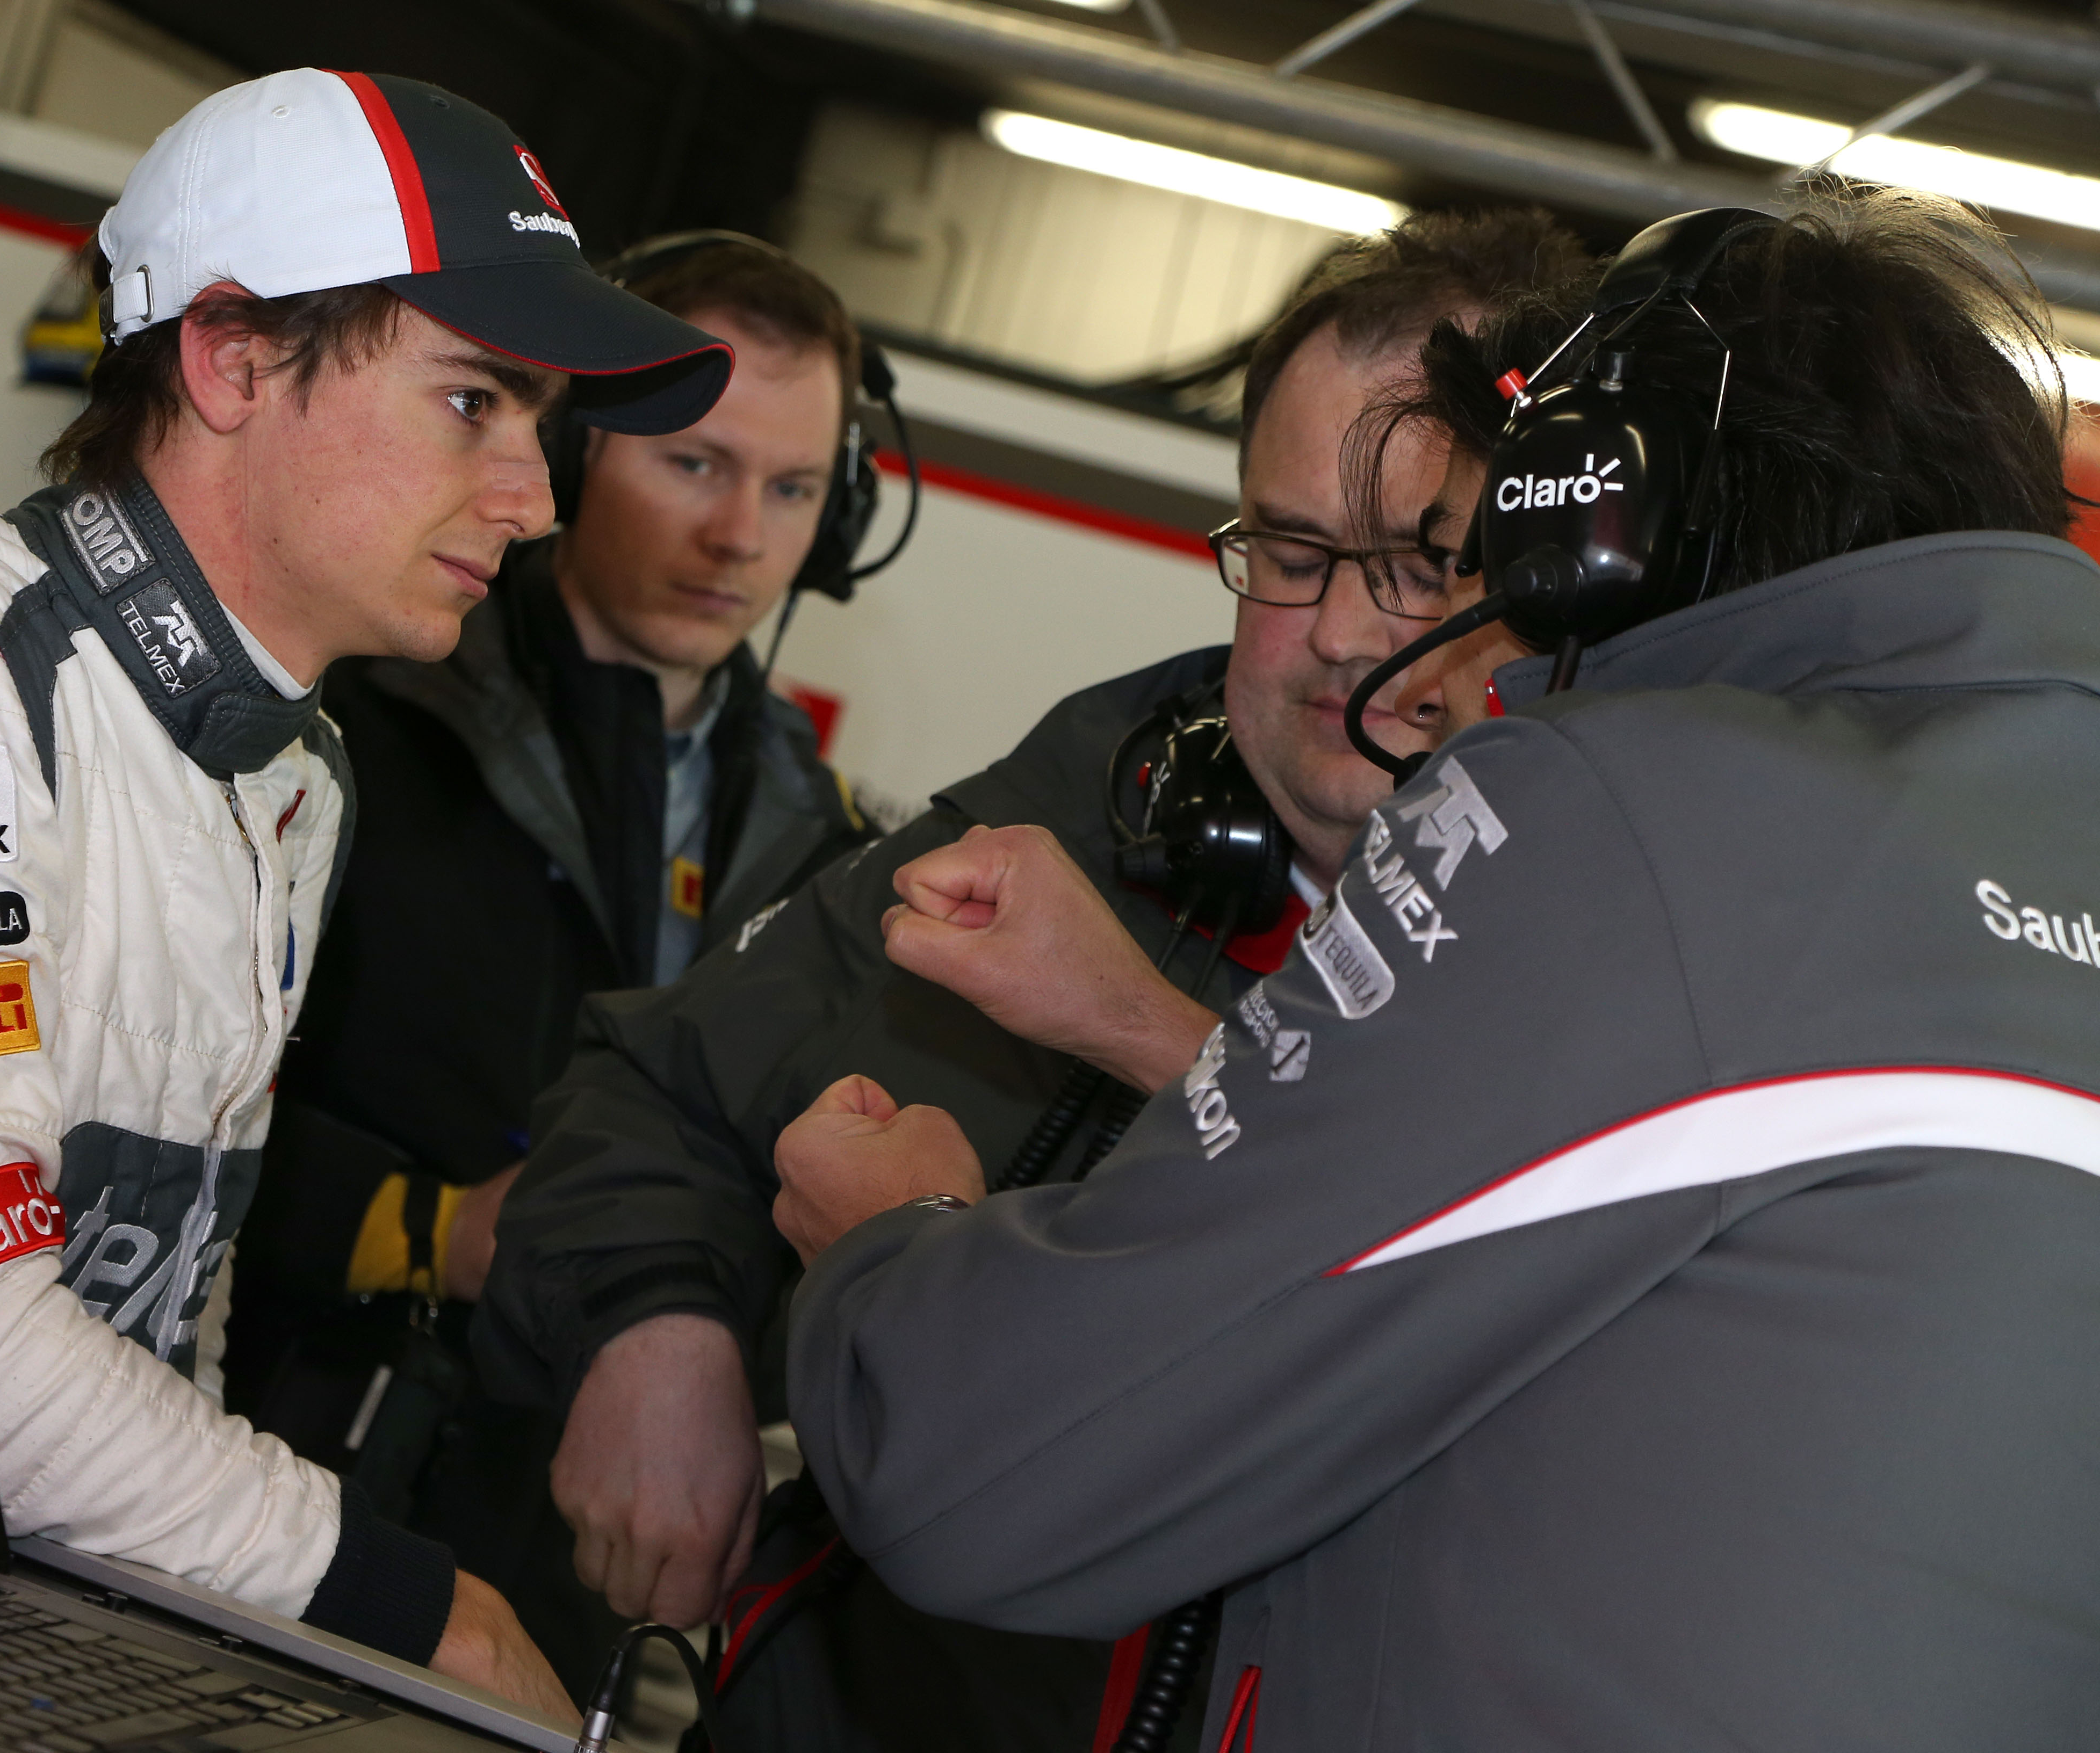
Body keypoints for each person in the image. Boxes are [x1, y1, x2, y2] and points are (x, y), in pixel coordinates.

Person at [774, 183, 2100, 1749]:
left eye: (1471, 560)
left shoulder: (1626, 802)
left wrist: (897, 1245)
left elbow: (982, 1466)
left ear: (1588, 528)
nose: (1417, 650)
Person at [0, 68, 736, 1723]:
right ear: (231, 358)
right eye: (472, 402)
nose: (531, 501)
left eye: (539, 424)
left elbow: (162, 1326)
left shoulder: (291, 775)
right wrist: (401, 1604)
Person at [470, 207, 1592, 1743]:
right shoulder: (1118, 788)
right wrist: (652, 1330)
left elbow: (1491, 1314)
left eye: (1418, 565)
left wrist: (1139, 1033)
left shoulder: (1637, 924)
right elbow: (658, 1091)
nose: (1339, 634)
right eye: (1288, 554)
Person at [219, 235, 877, 1689]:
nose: (741, 538)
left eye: (792, 490)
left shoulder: (831, 850)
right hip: (279, 1484)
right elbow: (158, 1107)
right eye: (694, 465)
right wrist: (424, 1227)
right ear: (572, 448)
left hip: (572, 1573)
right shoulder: (356, 721)